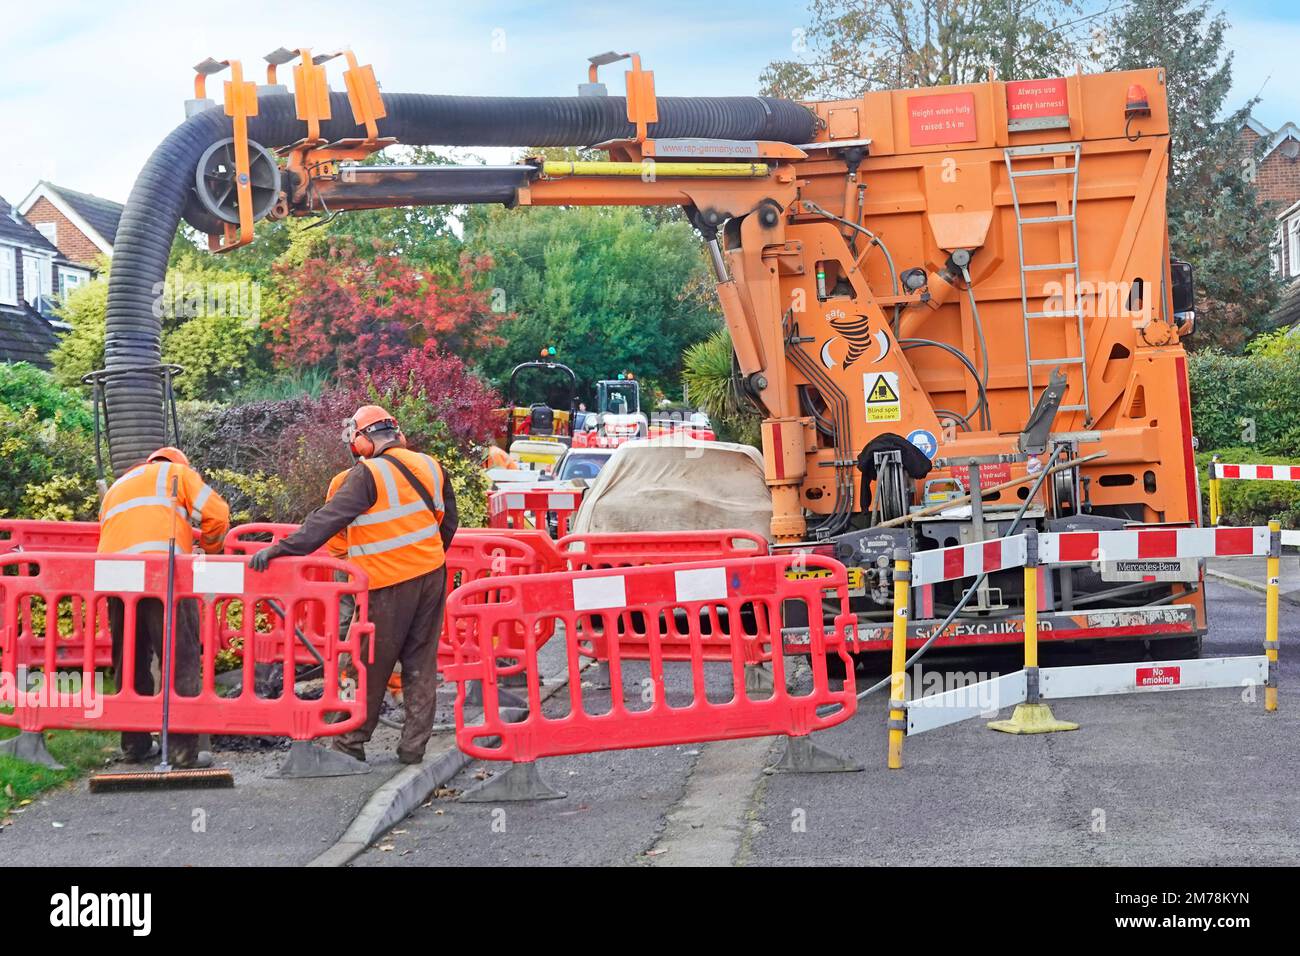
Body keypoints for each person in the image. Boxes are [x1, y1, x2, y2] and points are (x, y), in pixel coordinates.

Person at [249, 406, 457, 764]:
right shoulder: (431, 465)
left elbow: (326, 522)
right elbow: (448, 523)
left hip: (387, 581)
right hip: (431, 576)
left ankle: (349, 743)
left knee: (368, 662)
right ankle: (412, 749)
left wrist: (279, 549)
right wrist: (427, 560)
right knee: (421, 663)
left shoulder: (367, 474)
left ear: (362, 440)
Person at [97, 446, 230, 767]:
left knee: (129, 660)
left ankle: (135, 745)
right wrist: (211, 549)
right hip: (163, 574)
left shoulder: (118, 486)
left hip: (116, 577)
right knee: (179, 658)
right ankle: (183, 752)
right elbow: (218, 514)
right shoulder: (177, 474)